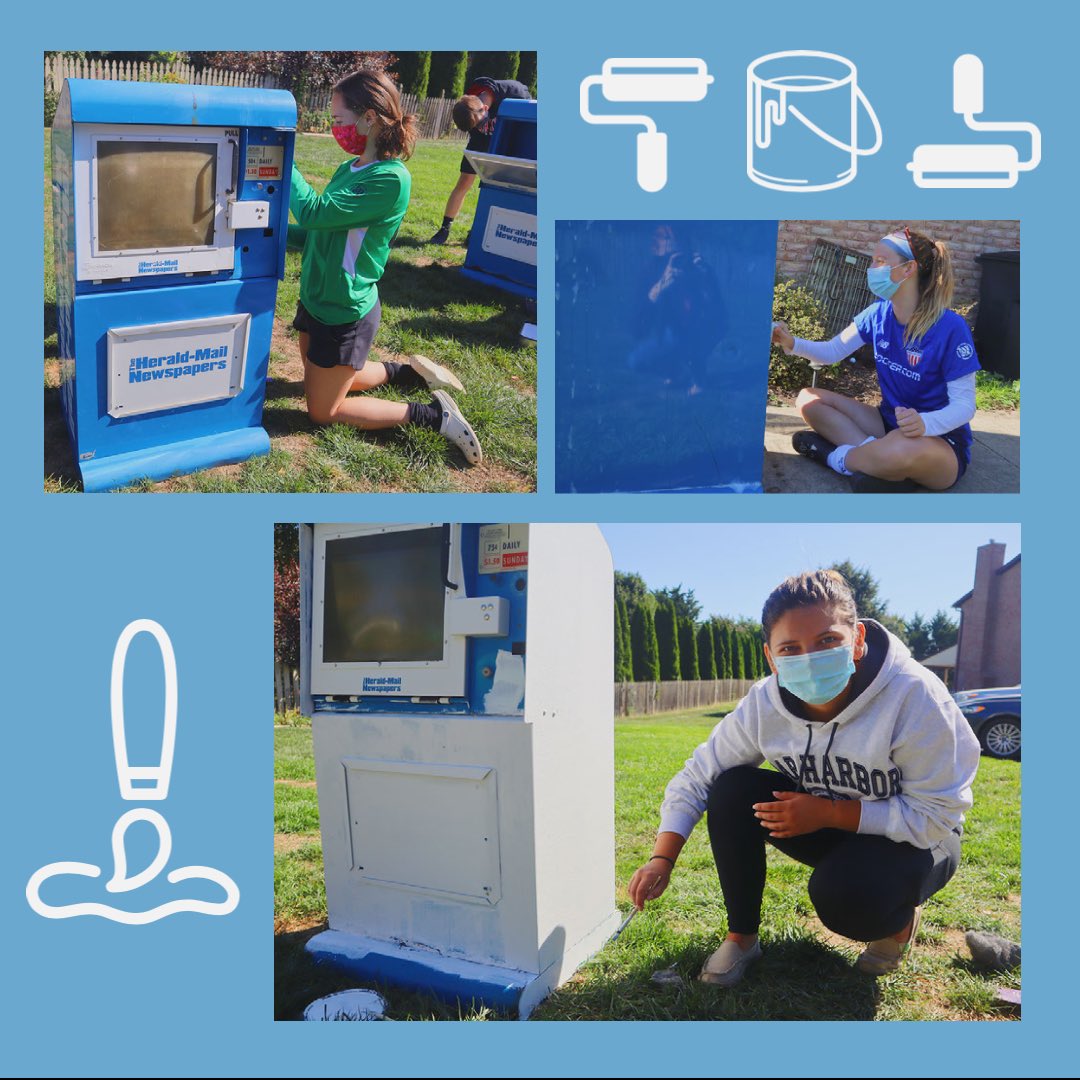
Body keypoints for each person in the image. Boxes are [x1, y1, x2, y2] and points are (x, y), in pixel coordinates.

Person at [627, 569, 981, 987]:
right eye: (790, 648)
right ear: (771, 656)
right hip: (822, 817)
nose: (809, 659)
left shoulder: (915, 696)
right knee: (733, 788)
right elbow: (701, 775)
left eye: (828, 640)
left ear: (858, 639)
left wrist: (831, 813)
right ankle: (741, 936)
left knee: (845, 898)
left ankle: (897, 924)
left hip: (918, 839)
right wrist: (662, 857)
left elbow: (936, 815)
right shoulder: (765, 702)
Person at [289, 69, 482, 466]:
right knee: (315, 374)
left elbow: (313, 211)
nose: (335, 128)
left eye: (339, 120)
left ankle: (435, 416)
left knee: (322, 412)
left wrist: (278, 157)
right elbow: (322, 230)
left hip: (344, 307)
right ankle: (407, 373)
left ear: (369, 118)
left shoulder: (391, 180)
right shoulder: (350, 169)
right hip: (316, 295)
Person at [773, 227, 981, 493]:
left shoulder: (951, 327)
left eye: (880, 261)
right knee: (807, 399)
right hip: (887, 423)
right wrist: (791, 343)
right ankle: (878, 464)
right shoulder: (877, 314)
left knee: (900, 447)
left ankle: (838, 459)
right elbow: (831, 352)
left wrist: (924, 423)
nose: (872, 268)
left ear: (908, 269)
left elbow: (965, 406)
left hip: (937, 441)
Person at [427, 75, 532, 246]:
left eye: (478, 123)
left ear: (484, 108)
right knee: (463, 182)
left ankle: (479, 231)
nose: (478, 127)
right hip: (480, 141)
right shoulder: (468, 106)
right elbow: (475, 127)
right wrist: (478, 130)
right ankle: (444, 228)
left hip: (508, 139)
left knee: (496, 186)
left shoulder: (515, 92)